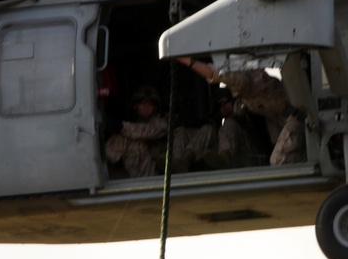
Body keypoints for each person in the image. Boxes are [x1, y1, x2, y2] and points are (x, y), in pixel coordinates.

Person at [176, 56, 306, 166]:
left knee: (278, 160)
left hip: (299, 119)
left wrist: (189, 61)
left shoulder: (248, 81)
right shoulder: (243, 100)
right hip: (282, 123)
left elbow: (215, 74)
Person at [105, 85, 168, 178]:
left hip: (152, 174)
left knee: (134, 143)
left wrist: (121, 126)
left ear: (155, 107)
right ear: (135, 106)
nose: (146, 106)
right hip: (131, 175)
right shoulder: (132, 124)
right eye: (142, 103)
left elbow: (147, 131)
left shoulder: (161, 123)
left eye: (150, 104)